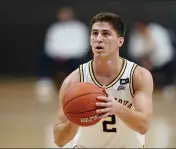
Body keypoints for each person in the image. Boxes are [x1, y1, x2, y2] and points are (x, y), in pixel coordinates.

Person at [53, 12, 154, 148]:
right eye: (95, 33)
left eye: (106, 34)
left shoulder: (138, 76)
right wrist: (75, 117)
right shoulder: (74, 80)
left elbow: (143, 126)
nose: (99, 38)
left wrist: (116, 108)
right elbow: (59, 140)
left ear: (120, 41)